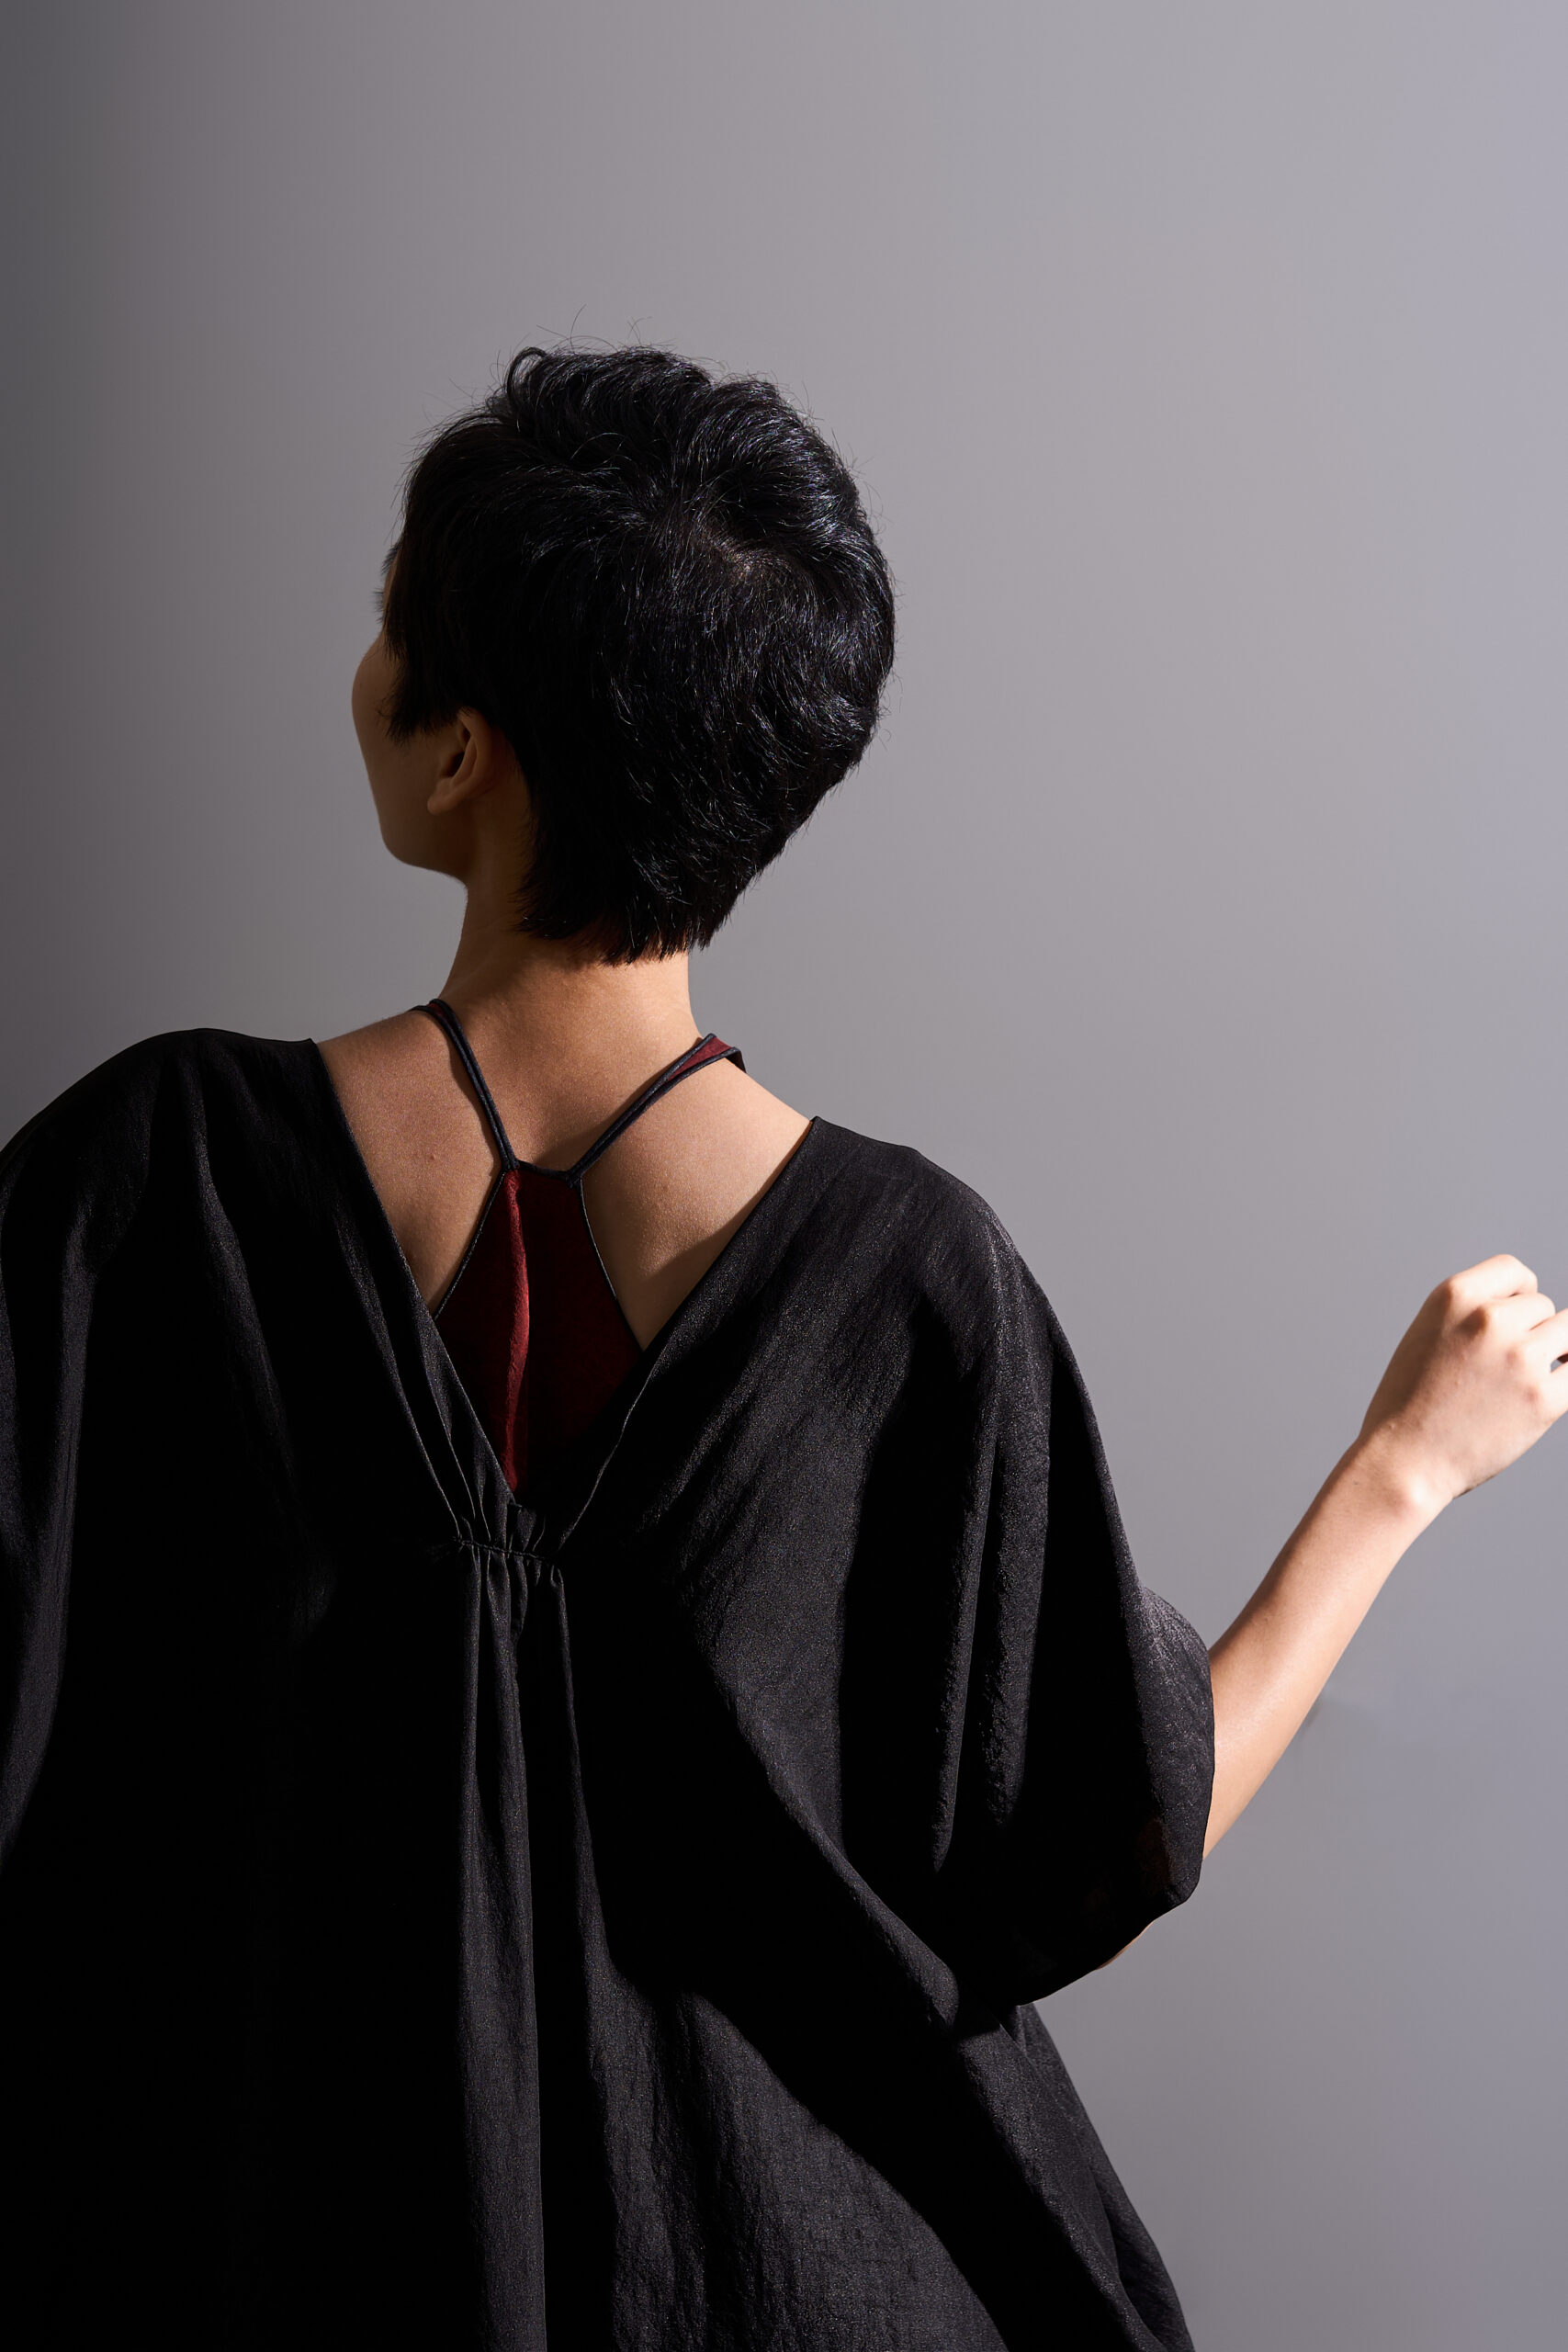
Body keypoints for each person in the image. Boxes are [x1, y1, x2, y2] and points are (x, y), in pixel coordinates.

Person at [0, 344, 1562, 2352]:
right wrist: (1400, 1472)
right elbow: (1100, 1833)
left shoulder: (151, 1183)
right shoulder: (912, 1282)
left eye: (392, 618)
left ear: (461, 748)